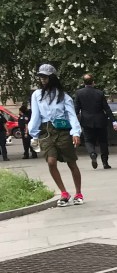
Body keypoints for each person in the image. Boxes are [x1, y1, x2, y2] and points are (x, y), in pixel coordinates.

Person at [27, 64, 84, 206]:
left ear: (52, 77)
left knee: (71, 162)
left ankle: (78, 193)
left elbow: (71, 115)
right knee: (51, 162)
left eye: (45, 76)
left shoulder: (64, 96)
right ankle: (64, 193)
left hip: (62, 130)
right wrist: (33, 133)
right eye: (41, 76)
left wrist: (75, 132)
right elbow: (35, 114)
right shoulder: (37, 95)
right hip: (46, 131)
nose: (42, 79)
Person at [74, 74, 117, 169]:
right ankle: (105, 162)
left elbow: (76, 110)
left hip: (86, 121)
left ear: (83, 83)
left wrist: (74, 122)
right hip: (100, 120)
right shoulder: (100, 93)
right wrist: (113, 121)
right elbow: (106, 108)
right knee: (103, 141)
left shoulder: (79, 93)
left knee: (88, 140)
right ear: (93, 82)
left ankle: (92, 154)